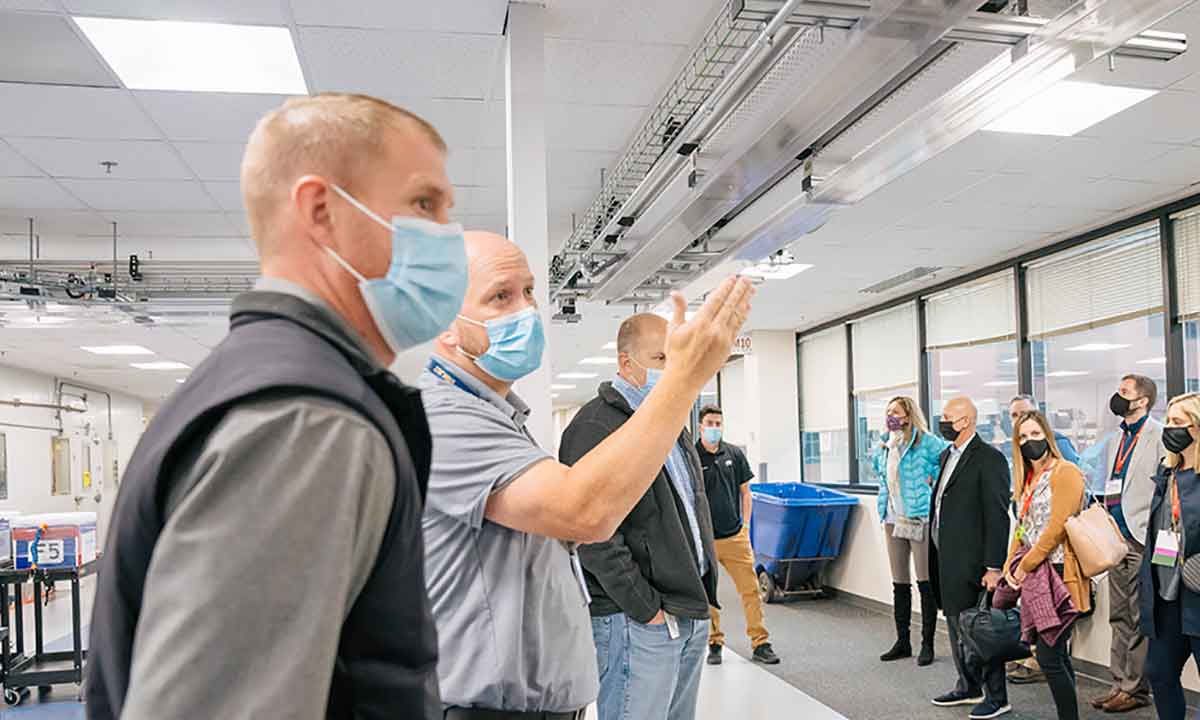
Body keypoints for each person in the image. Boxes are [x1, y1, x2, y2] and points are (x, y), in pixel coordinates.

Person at [87, 94, 458, 719]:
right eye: (424, 204)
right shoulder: (305, 425)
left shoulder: (260, 381)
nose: (448, 234)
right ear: (322, 211)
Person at [419, 230, 754, 719]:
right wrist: (684, 379)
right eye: (500, 297)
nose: (527, 311)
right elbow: (585, 513)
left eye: (530, 291)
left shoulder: (500, 418)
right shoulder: (444, 418)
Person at [559, 315, 719, 720]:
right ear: (626, 363)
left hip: (687, 609)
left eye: (675, 358)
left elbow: (687, 507)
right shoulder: (595, 426)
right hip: (636, 617)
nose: (670, 369)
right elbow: (590, 531)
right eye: (659, 358)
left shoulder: (670, 423)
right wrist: (644, 607)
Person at [1001, 410, 1090, 720]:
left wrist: (1026, 564)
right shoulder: (1028, 477)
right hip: (1036, 572)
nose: (1029, 442)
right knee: (1057, 655)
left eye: (1035, 435)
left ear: (1048, 437)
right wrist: (1010, 564)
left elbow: (1058, 527)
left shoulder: (1065, 472)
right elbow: (1022, 526)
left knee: (1050, 654)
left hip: (1059, 571)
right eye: (1023, 437)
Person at [929, 396, 1013, 720]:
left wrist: (994, 566)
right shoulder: (947, 455)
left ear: (965, 421)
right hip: (946, 556)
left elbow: (997, 515)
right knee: (955, 626)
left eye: (949, 417)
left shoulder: (988, 458)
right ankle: (968, 685)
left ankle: (997, 696)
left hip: (973, 561)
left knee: (980, 631)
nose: (944, 421)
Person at [1094, 374, 1166, 714]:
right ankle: (1118, 682)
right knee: (1117, 615)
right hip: (1114, 537)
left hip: (1141, 537)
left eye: (1125, 392)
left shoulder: (1158, 435)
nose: (1118, 397)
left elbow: (1164, 491)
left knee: (1138, 617)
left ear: (1143, 401)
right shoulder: (1116, 439)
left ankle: (1135, 688)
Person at [696, 405, 781, 666]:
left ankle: (760, 642)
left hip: (735, 537)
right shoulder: (691, 456)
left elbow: (746, 492)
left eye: (718, 423)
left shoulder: (734, 454)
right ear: (700, 426)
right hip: (705, 540)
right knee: (708, 595)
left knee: (751, 591)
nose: (714, 428)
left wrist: (745, 525)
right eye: (709, 423)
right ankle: (714, 642)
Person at [873, 396, 949, 666]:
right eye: (887, 411)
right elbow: (878, 470)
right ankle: (902, 641)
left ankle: (927, 643)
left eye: (895, 411)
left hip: (919, 518)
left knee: (925, 581)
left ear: (908, 414)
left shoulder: (927, 442)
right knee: (899, 582)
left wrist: (933, 480)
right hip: (893, 518)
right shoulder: (885, 443)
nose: (890, 415)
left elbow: (948, 461)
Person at [1139, 393, 1200, 720]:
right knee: (1160, 673)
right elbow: (1164, 532)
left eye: (1178, 422)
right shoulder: (1168, 474)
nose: (1169, 428)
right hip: (1167, 595)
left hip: (1198, 594)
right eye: (1169, 420)